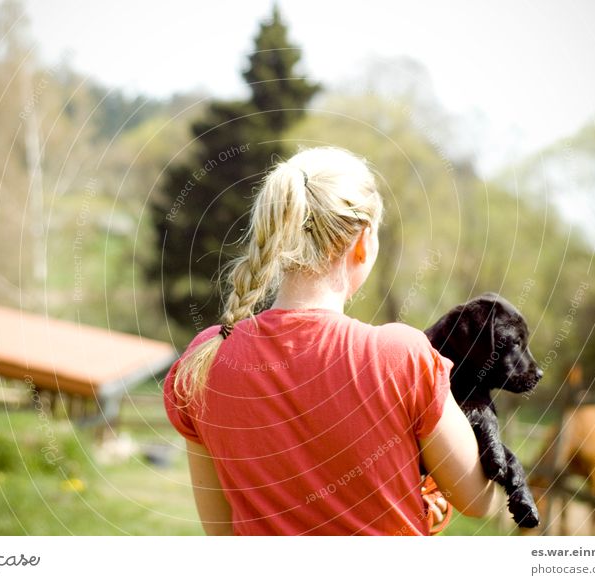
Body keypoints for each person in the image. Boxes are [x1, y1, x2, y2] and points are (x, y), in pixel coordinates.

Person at [163, 146, 495, 535]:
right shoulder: (399, 355)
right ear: (363, 242)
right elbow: (480, 501)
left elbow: (221, 532)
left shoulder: (205, 356)